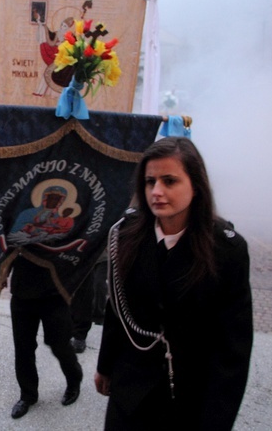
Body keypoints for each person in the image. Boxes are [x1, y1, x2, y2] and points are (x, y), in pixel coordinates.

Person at [94, 137, 253, 430]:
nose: (157, 192)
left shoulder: (226, 250)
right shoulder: (125, 235)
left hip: (190, 395)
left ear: (196, 185)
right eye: (150, 181)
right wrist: (105, 366)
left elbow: (233, 348)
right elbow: (116, 306)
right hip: (131, 388)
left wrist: (217, 420)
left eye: (170, 181)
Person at [8, 255, 83, 419]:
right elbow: (2, 243)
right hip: (22, 291)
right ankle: (27, 395)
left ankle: (74, 379)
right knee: (23, 348)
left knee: (60, 345)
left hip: (54, 292)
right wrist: (0, 271)